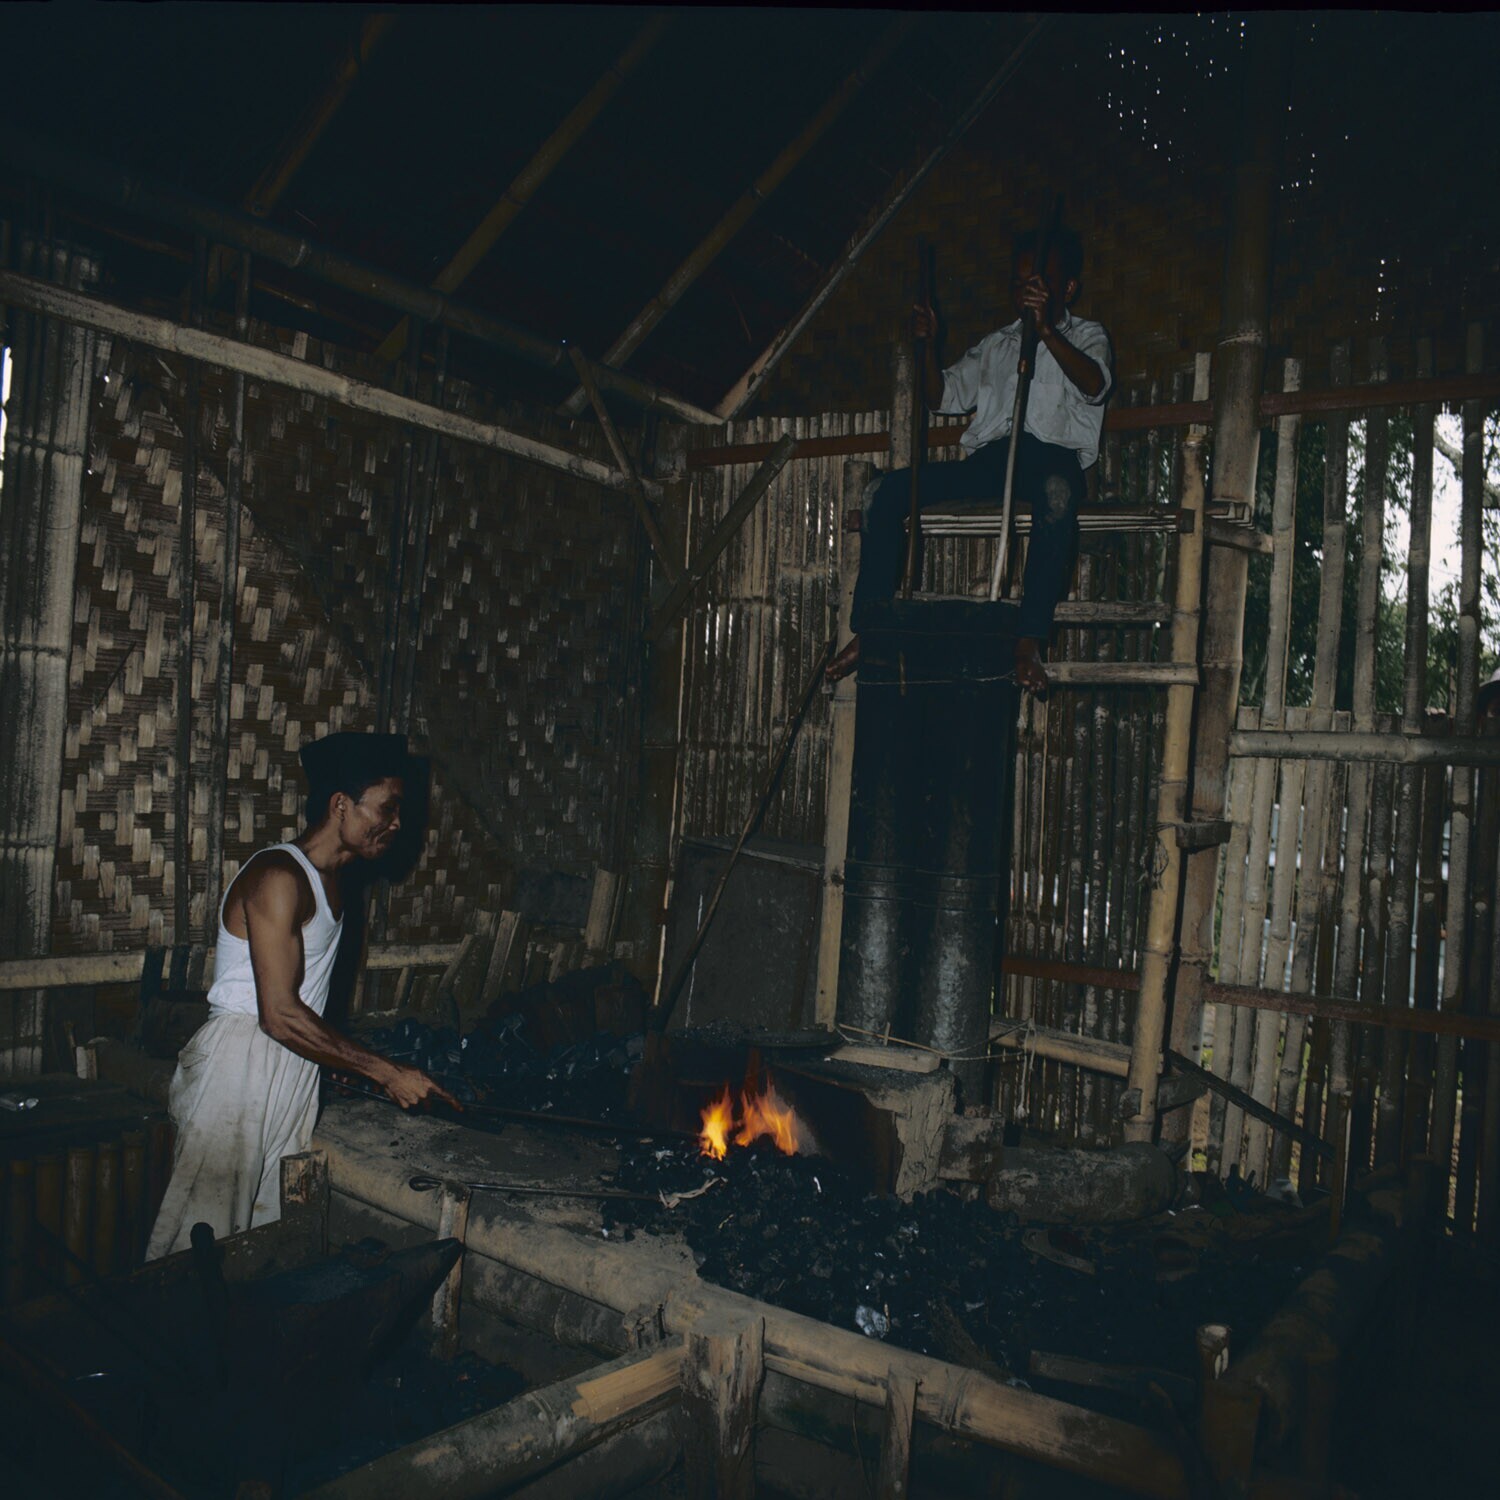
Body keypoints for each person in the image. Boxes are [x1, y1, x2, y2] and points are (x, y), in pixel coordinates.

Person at [146, 731, 459, 1259]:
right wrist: (384, 1072)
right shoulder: (278, 877)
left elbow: (302, 1006)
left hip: (290, 1065)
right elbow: (278, 1013)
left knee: (261, 1237)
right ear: (341, 805)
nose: (397, 823)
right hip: (238, 1068)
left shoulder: (334, 884)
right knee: (198, 1242)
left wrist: (332, 1059)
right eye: (387, 808)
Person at [827, 226, 1113, 692]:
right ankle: (871, 629)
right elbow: (940, 396)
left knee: (1059, 493)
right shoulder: (995, 345)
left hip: (1051, 461)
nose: (1026, 292)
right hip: (991, 462)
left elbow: (1095, 385)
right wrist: (928, 345)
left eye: (1038, 284)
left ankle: (1028, 638)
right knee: (882, 492)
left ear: (1067, 288)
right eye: (1019, 284)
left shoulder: (1088, 335)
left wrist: (1044, 331)